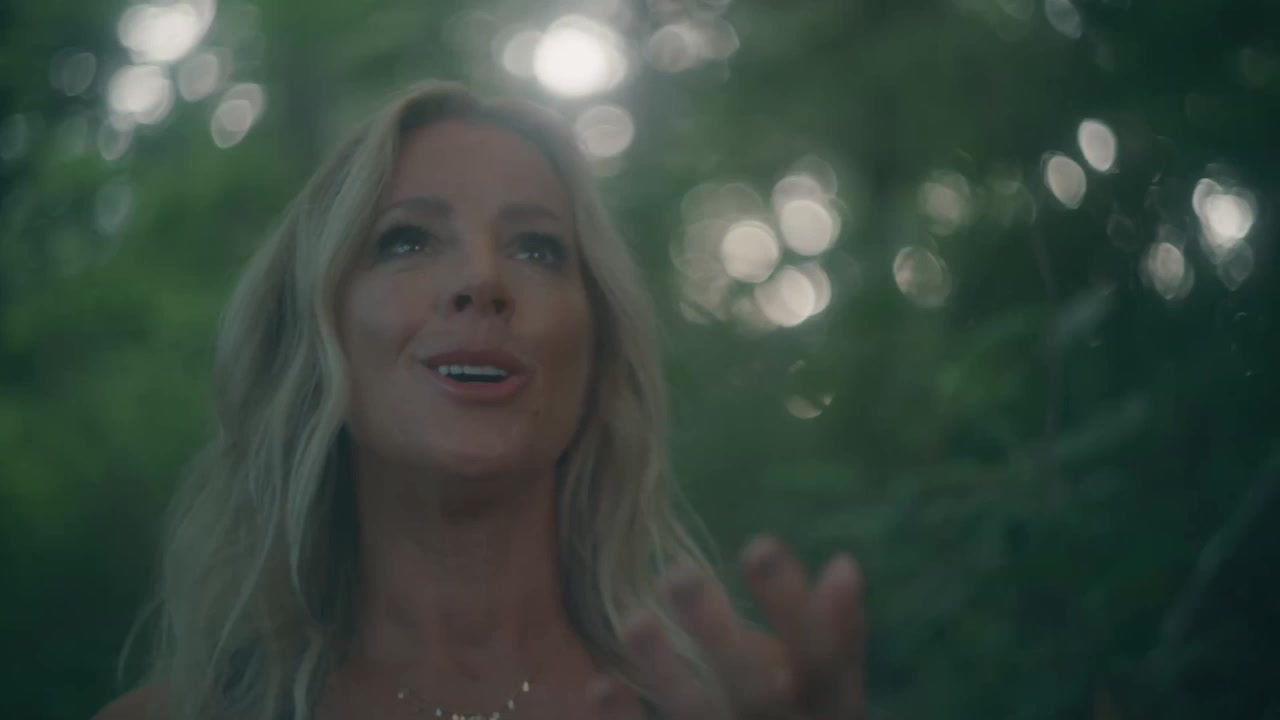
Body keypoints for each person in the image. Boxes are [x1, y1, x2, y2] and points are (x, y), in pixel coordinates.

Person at [94, 81, 866, 720]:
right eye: (406, 240)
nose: (482, 281)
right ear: (316, 332)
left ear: (595, 354)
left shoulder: (741, 698)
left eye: (537, 248)